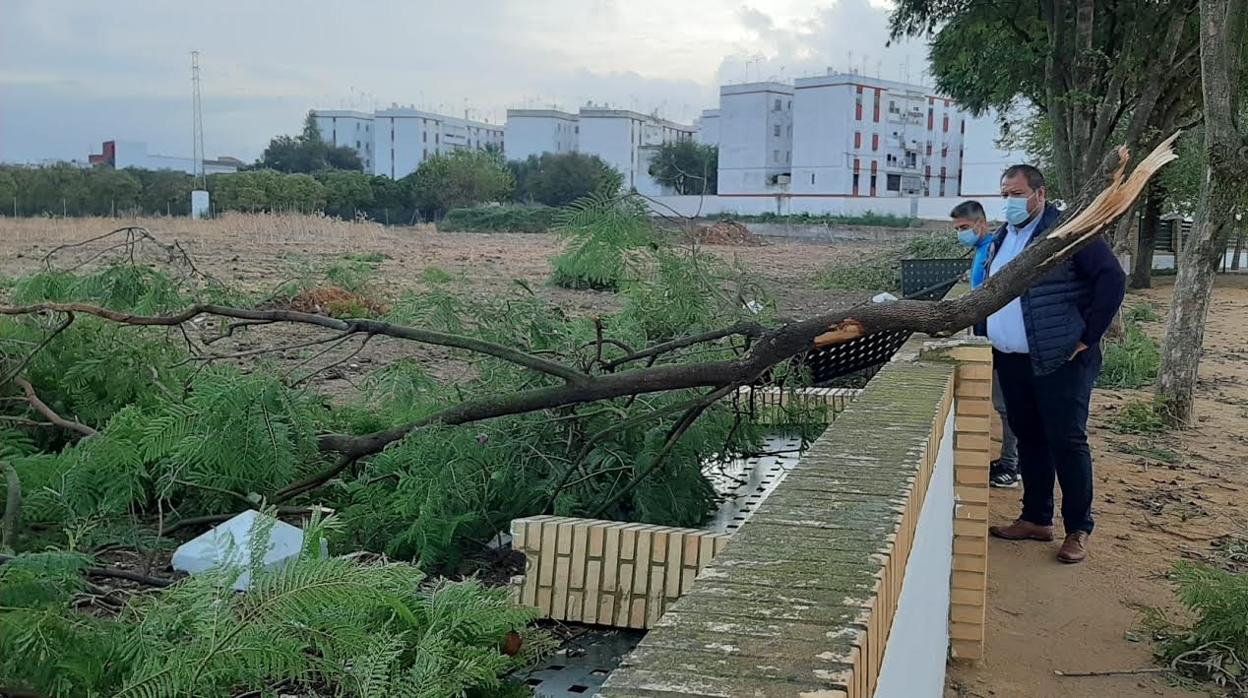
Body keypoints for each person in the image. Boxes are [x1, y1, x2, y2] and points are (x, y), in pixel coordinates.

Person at [983, 165, 1125, 565]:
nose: (1009, 201)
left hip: (1062, 358)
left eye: (1016, 193)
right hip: (1012, 359)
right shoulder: (1004, 237)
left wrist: (1087, 335)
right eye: (1005, 193)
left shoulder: (1068, 233)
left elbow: (1112, 279)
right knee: (1029, 437)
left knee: (1067, 440)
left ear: (1040, 194)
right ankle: (1036, 518)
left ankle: (1078, 529)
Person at [950, 200, 1020, 489]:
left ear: (981, 223)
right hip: (986, 337)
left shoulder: (994, 250)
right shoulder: (981, 251)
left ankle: (1010, 466)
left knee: (1006, 406)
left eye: (965, 227)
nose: (961, 233)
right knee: (1001, 404)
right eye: (957, 229)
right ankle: (1009, 460)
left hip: (1000, 339)